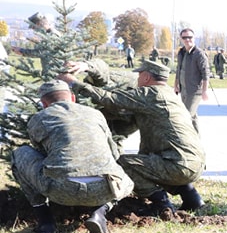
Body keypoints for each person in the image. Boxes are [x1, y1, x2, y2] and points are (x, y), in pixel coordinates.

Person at [56, 58, 207, 214]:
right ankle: (192, 198)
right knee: (148, 164)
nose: (137, 79)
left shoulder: (150, 93)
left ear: (147, 77)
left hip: (179, 165)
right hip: (195, 163)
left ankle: (161, 204)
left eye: (140, 75)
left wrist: (74, 83)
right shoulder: (169, 94)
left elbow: (111, 99)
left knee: (123, 163)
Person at [10, 80, 134, 233]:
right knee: (126, 181)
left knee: (19, 153)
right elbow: (114, 153)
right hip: (106, 188)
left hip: (62, 189)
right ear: (73, 98)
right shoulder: (96, 114)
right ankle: (100, 213)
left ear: (44, 103)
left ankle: (46, 223)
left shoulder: (40, 118)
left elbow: (42, 153)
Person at [174, 28, 210, 132]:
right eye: (184, 37)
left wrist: (205, 91)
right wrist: (176, 84)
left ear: (194, 38)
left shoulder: (199, 54)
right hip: (183, 89)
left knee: (186, 116)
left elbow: (206, 73)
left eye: (189, 37)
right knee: (192, 116)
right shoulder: (181, 52)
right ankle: (196, 141)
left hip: (194, 91)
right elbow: (179, 69)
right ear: (181, 39)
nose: (187, 39)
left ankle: (186, 143)